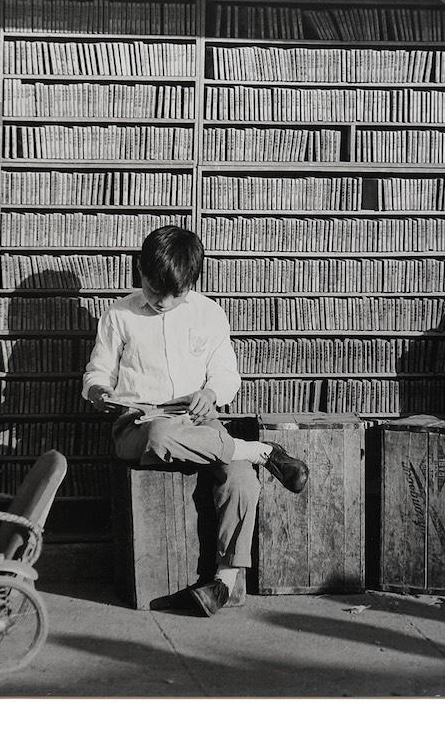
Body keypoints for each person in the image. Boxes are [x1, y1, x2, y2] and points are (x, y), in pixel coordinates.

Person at [82, 225, 309, 616]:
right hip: (139, 424)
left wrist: (211, 394)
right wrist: (98, 391)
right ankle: (261, 451)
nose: (164, 302)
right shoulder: (119, 314)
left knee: (241, 479)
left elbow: (226, 374)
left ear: (193, 283)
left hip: (197, 421)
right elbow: (97, 371)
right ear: (140, 270)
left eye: (177, 294)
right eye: (154, 290)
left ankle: (225, 582)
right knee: (160, 434)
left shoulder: (209, 313)